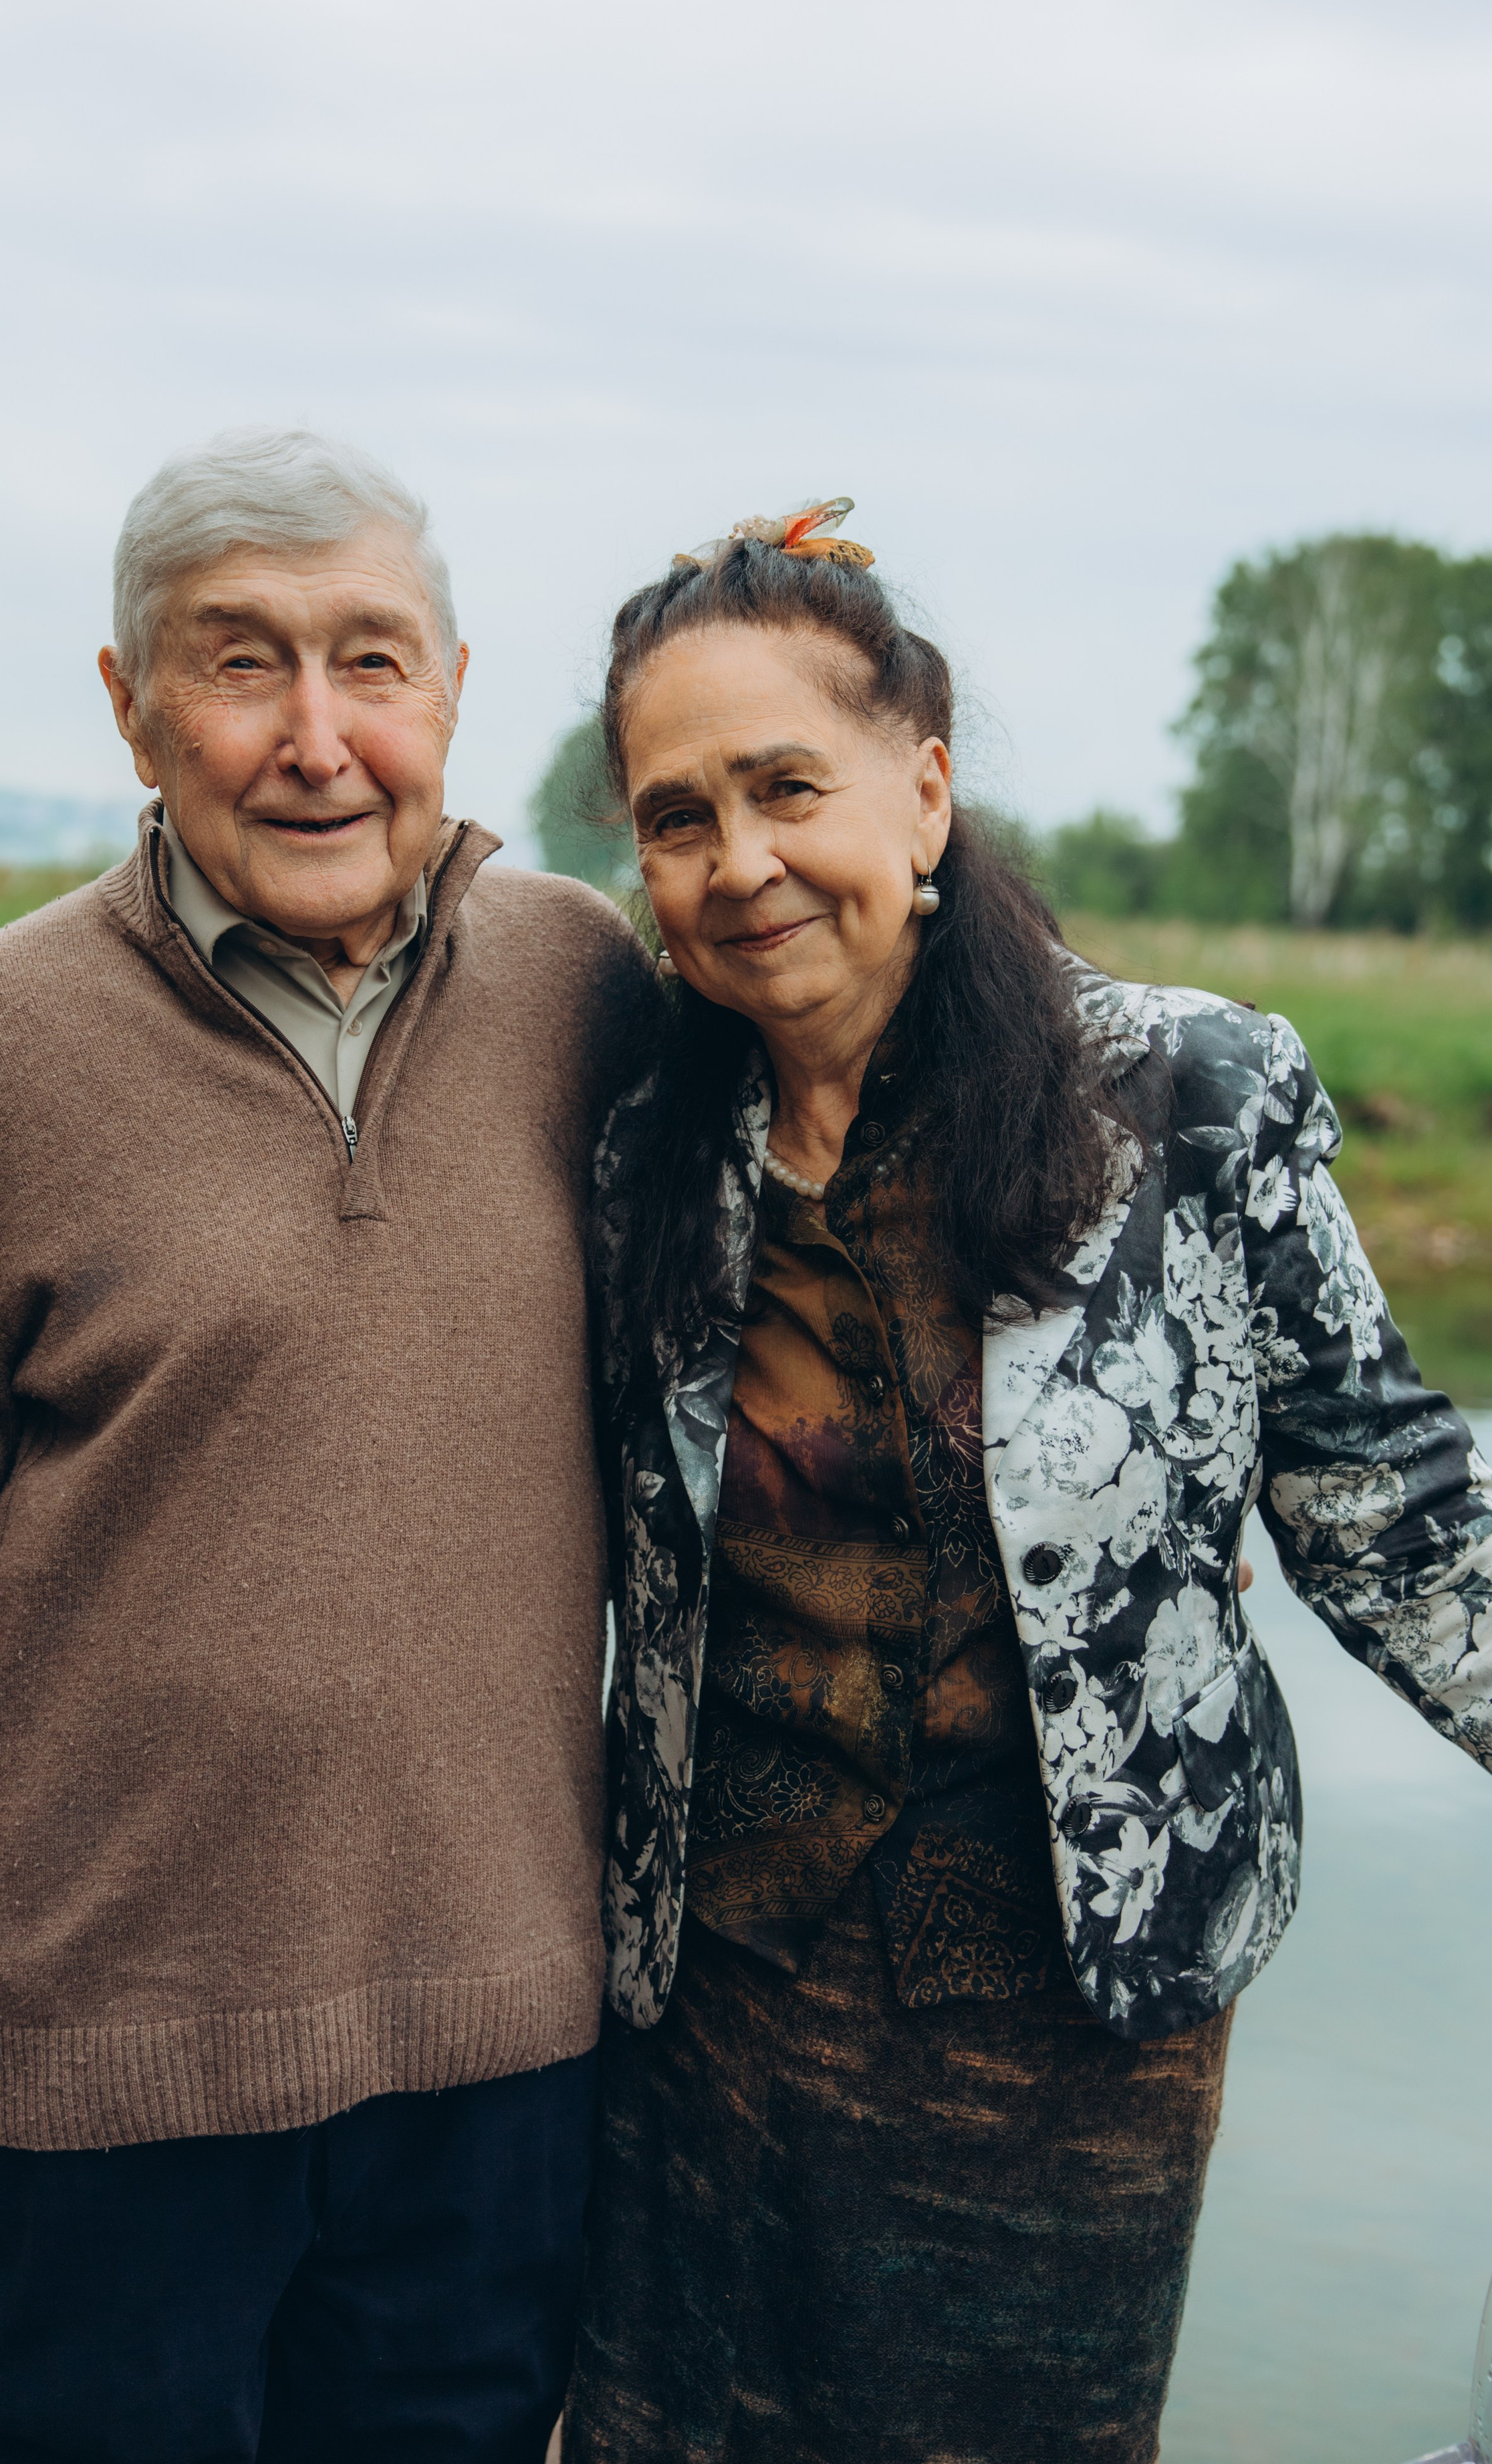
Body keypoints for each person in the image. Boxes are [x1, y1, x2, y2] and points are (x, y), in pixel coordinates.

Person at [563, 502, 1492, 2463]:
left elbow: (1392, 1500)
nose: (740, 864)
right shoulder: (643, 1146)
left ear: (924, 791)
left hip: (1066, 2016)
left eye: (787, 788)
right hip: (708, 1995)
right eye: (676, 818)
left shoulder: (1187, 1100)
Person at [0, 426, 649, 2464]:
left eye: (372, 662)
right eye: (241, 661)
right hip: (97, 2110)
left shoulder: (591, 996)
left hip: (497, 2092)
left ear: (453, 691)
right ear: (132, 704)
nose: (316, 739)